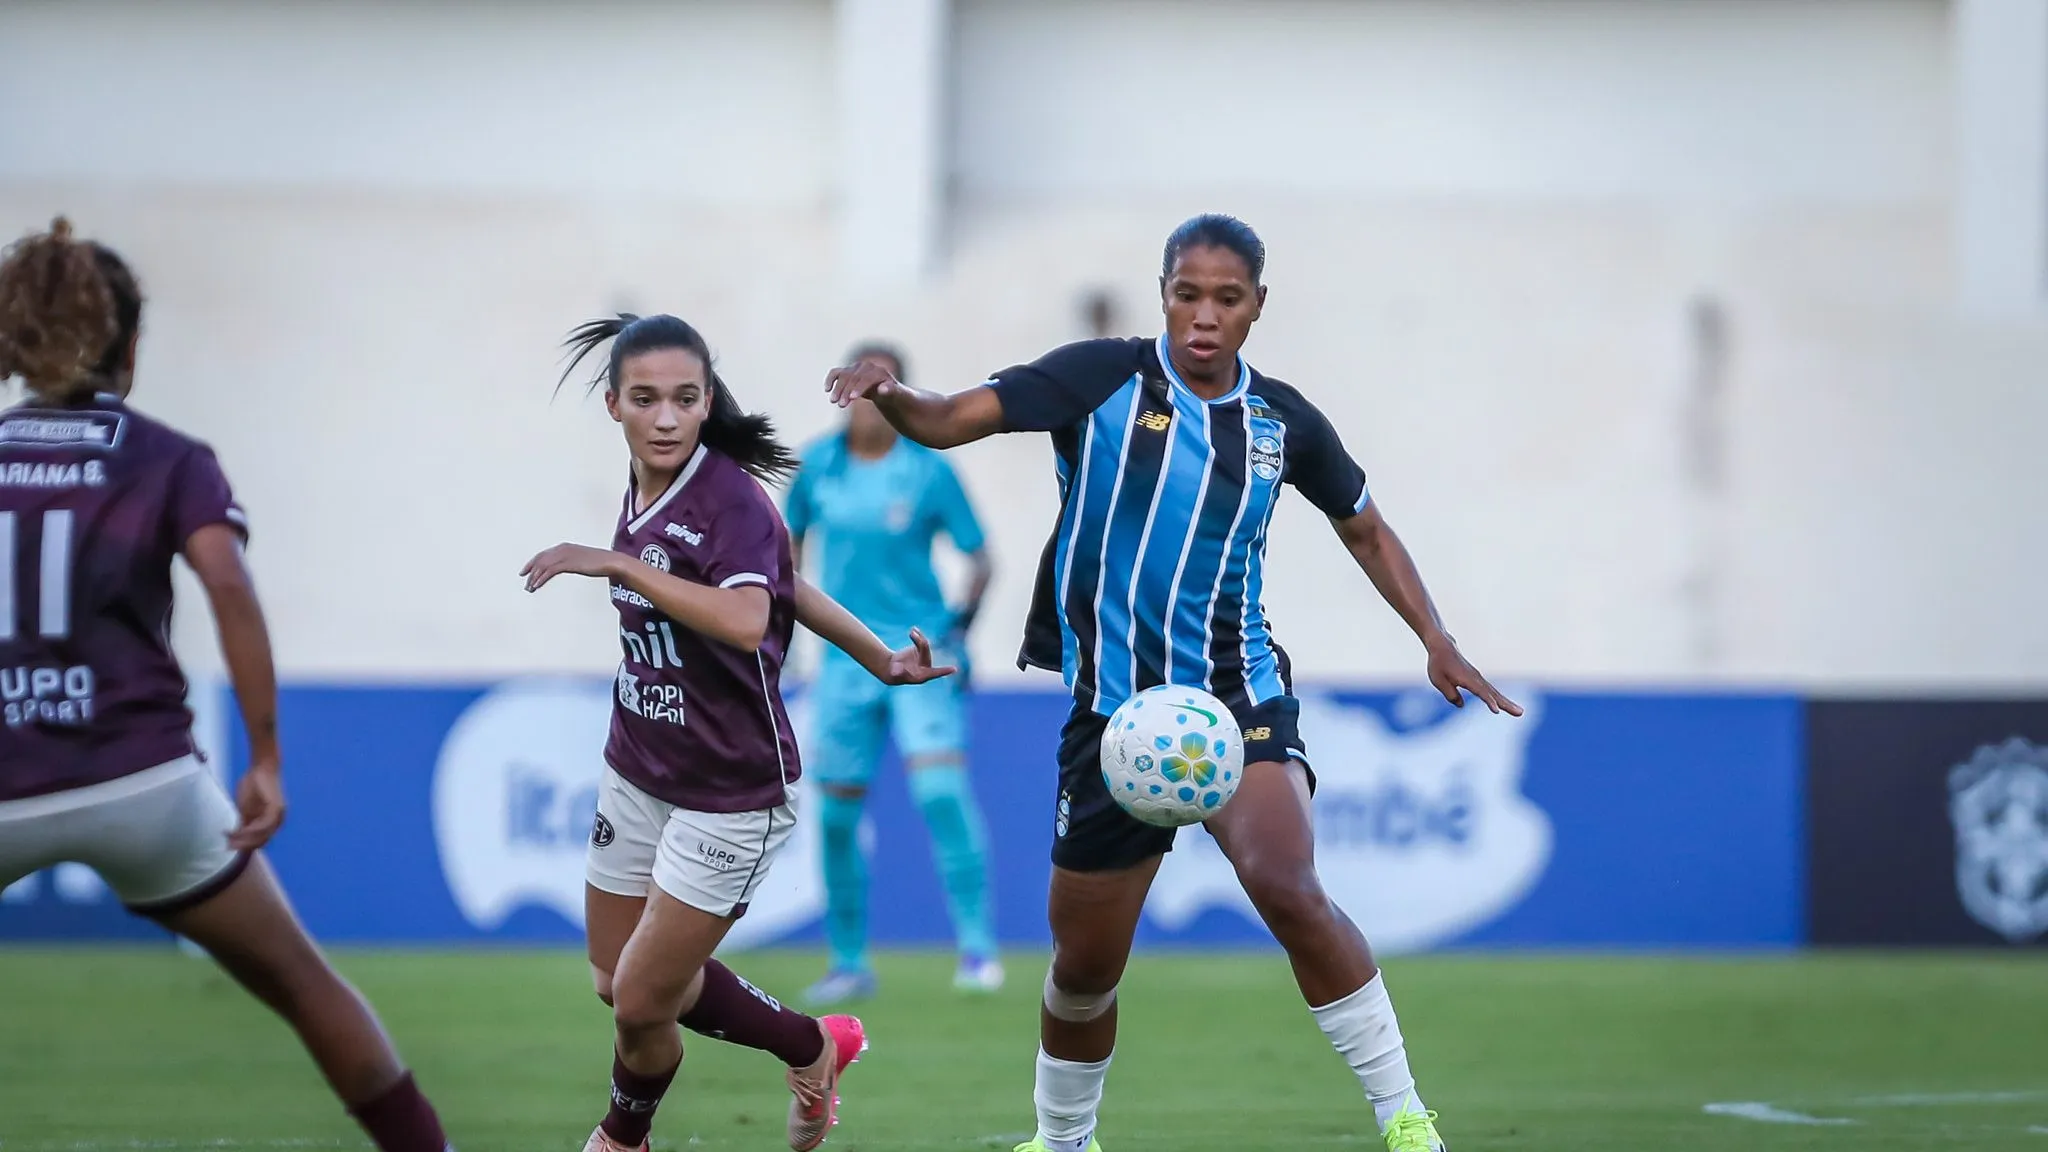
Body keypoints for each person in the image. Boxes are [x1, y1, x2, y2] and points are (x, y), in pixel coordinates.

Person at [824, 214, 1523, 1152]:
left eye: (1226, 300)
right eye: (1186, 294)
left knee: (1285, 883)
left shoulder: (1283, 423)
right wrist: (893, 396)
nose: (1203, 316)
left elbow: (1363, 524)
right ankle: (1063, 1141)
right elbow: (952, 421)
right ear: (1163, 293)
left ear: (1256, 308)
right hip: (1111, 716)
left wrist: (1434, 636)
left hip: (1238, 701)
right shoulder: (1100, 376)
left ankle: (1405, 1119)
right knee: (1083, 964)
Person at [0, 219, 453, 1151]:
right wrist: (268, 758)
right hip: (143, 782)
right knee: (304, 983)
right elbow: (229, 586)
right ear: (128, 347)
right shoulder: (168, 458)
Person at [520, 313, 955, 1152]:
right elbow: (793, 586)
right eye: (646, 399)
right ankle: (812, 1045)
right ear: (614, 406)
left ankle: (620, 1138)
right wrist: (878, 658)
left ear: (707, 400)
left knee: (648, 999)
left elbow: (753, 612)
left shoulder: (728, 497)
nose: (668, 417)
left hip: (731, 793)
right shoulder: (649, 489)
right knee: (617, 982)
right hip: (638, 767)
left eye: (686, 399)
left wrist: (615, 564)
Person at [784, 340, 1001, 1005]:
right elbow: (784, 551)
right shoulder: (817, 466)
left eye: (886, 387)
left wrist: (959, 629)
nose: (872, 400)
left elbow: (980, 556)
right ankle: (849, 961)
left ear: (900, 394)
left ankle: (977, 950)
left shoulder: (928, 469)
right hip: (845, 662)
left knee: (939, 792)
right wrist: (783, 633)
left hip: (921, 652)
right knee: (839, 817)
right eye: (862, 385)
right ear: (844, 392)